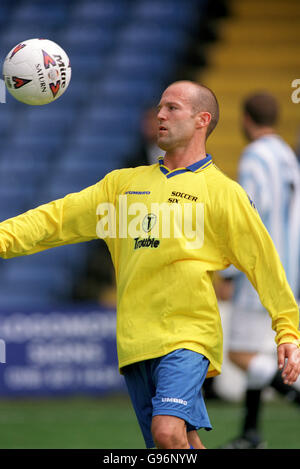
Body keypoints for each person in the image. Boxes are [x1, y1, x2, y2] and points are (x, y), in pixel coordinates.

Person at [0, 81, 299, 449]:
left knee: (167, 431)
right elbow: (54, 221)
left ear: (201, 119)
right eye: (159, 108)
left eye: (172, 108)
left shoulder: (225, 194)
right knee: (175, 445)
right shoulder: (121, 186)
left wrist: (287, 330)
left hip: (189, 336)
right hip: (135, 343)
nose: (160, 115)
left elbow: (264, 264)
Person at [216, 92, 300, 449]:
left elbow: (248, 217)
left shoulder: (255, 156)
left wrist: (229, 272)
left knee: (241, 356)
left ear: (246, 119)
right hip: (289, 270)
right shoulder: (286, 155)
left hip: (258, 273)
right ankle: (251, 433)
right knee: (264, 355)